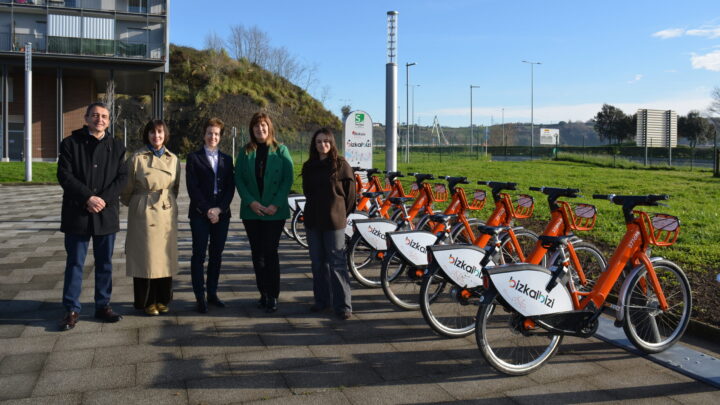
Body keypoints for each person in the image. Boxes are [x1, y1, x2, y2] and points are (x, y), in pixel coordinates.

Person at [57, 102, 128, 330]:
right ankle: (71, 309)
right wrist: (88, 197)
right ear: (86, 118)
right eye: (95, 115)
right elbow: (64, 175)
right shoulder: (70, 143)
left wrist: (102, 200)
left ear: (109, 121)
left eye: (104, 116)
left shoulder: (117, 147)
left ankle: (102, 305)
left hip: (106, 214)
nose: (100, 119)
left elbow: (122, 178)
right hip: (77, 213)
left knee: (105, 263)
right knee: (75, 263)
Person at [235, 112, 293, 313]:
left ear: (269, 128)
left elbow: (287, 178)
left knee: (270, 252)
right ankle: (263, 293)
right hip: (252, 212)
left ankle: (273, 295)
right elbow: (239, 179)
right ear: (252, 129)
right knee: (257, 253)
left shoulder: (281, 150)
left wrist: (275, 204)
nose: (260, 129)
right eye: (256, 126)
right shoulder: (245, 152)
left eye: (264, 126)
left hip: (274, 212)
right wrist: (251, 202)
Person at [120, 119, 180, 316]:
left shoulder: (174, 159)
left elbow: (175, 187)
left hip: (165, 209)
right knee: (145, 257)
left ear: (166, 135)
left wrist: (166, 200)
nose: (157, 136)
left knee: (164, 256)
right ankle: (147, 301)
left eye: (160, 133)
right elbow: (126, 189)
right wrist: (138, 203)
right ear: (147, 135)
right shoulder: (137, 158)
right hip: (143, 210)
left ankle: (163, 299)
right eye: (153, 133)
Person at [301, 128, 356, 319]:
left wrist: (341, 213)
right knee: (318, 263)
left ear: (332, 143)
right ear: (314, 145)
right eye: (318, 141)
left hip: (334, 222)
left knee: (337, 263)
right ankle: (322, 301)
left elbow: (350, 195)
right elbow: (307, 191)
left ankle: (343, 306)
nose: (322, 145)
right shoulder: (309, 166)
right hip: (313, 220)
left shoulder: (341, 165)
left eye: (326, 141)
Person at [186, 117, 235, 313]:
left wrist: (219, 209)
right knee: (199, 255)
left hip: (221, 214)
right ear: (204, 135)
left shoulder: (227, 159)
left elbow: (231, 188)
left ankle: (212, 293)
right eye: (209, 133)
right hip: (200, 213)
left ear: (220, 136)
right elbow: (192, 187)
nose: (212, 137)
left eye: (216, 134)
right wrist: (208, 209)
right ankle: (200, 296)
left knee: (216, 255)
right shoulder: (194, 158)